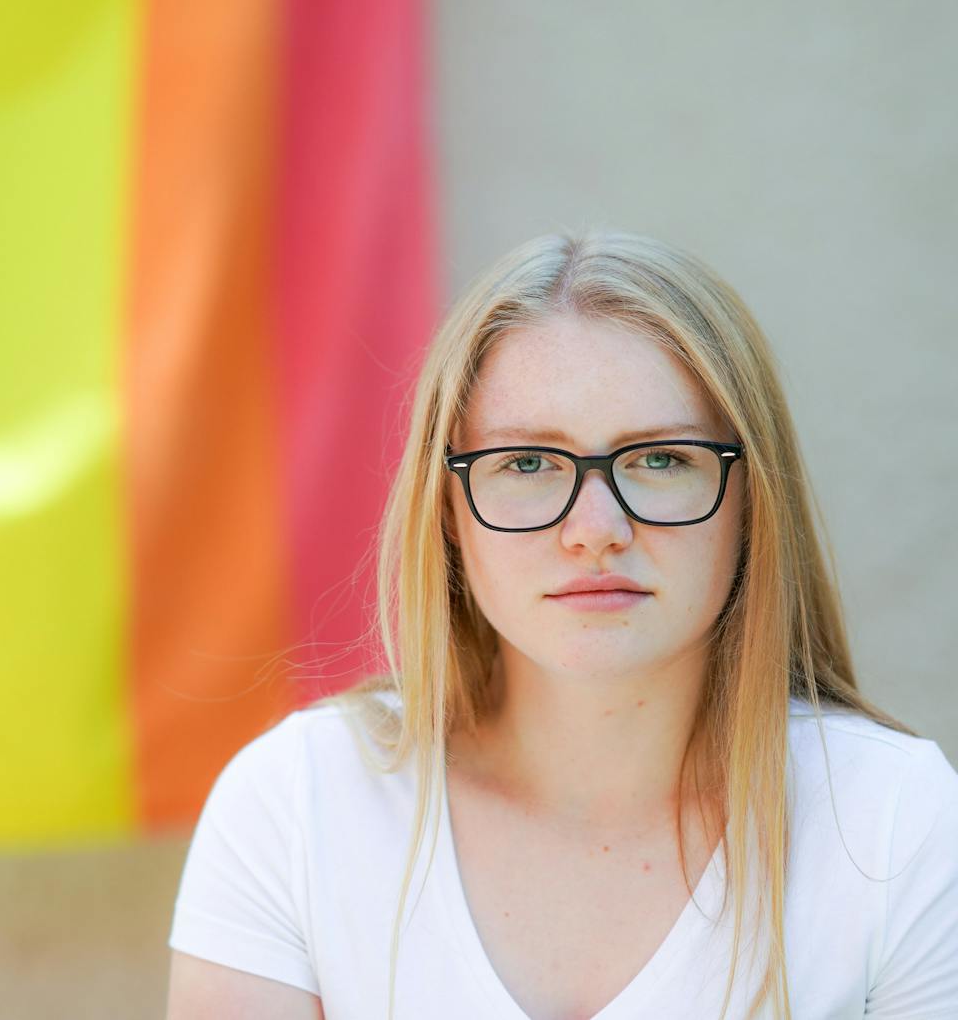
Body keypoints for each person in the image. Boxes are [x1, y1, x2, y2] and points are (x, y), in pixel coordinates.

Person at [163, 228, 958, 1019]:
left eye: (661, 458)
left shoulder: (894, 819)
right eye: (529, 463)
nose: (595, 527)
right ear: (448, 511)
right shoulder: (299, 806)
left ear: (750, 501)